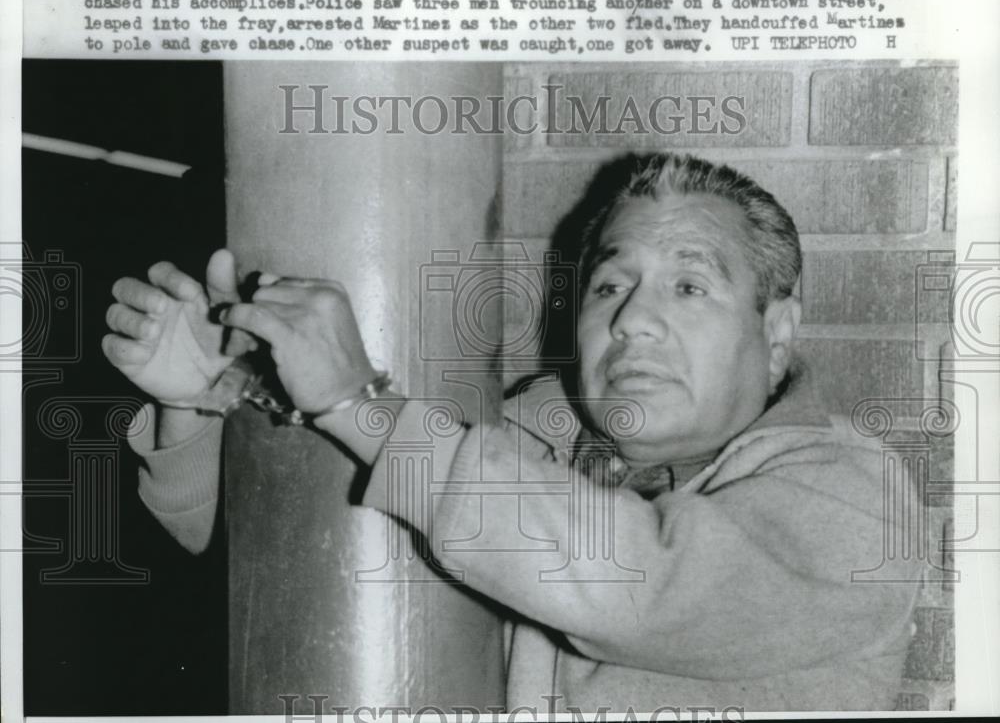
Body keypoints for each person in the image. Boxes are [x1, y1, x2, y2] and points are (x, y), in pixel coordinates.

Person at [103, 153, 919, 712]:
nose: (634, 319)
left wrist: (361, 404)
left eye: (689, 285)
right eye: (609, 284)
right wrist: (219, 392)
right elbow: (281, 550)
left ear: (776, 333)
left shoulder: (854, 501)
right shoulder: (527, 433)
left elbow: (637, 580)